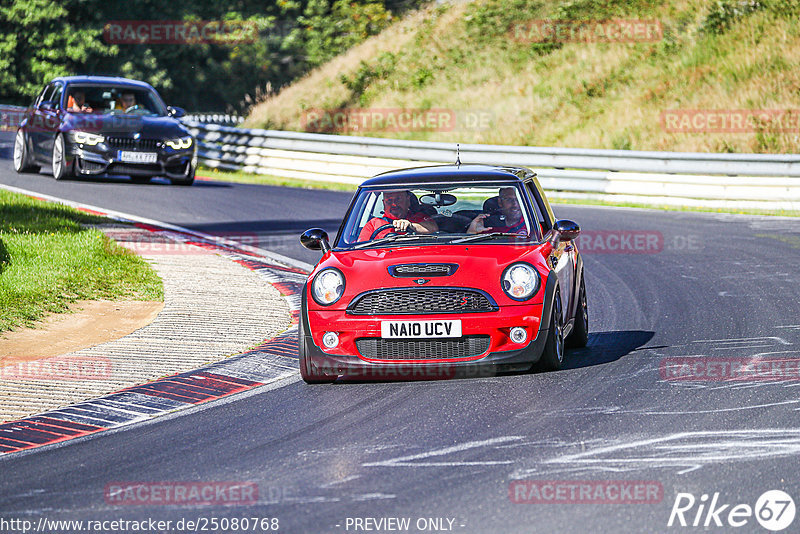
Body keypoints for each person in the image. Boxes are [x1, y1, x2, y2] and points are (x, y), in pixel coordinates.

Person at [358, 190, 438, 241]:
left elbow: (433, 228)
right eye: (389, 200)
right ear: (383, 203)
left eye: (398, 199)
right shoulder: (373, 224)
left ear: (408, 201)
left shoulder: (419, 218)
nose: (394, 204)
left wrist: (411, 226)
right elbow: (361, 249)